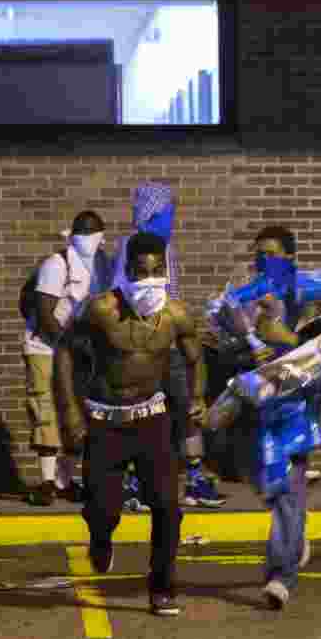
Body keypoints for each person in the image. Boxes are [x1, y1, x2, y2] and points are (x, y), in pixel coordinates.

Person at [55, 231, 206, 616]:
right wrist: (70, 412)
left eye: (158, 272)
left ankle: (162, 588)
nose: (150, 281)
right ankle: (101, 538)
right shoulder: (102, 309)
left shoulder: (176, 315)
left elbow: (194, 356)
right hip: (105, 422)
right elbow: (65, 355)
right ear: (128, 272)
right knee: (104, 509)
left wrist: (198, 397)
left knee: (168, 507)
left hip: (152, 420)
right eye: (142, 273)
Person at [224, 225, 321, 610]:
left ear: (289, 255)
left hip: (296, 404)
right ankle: (295, 532)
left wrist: (284, 340)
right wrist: (244, 347)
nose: (261, 260)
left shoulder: (311, 294)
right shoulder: (246, 296)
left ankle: (280, 576)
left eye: (269, 253)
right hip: (256, 405)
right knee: (260, 479)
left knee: (287, 489)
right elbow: (227, 340)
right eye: (257, 254)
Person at [113, 182, 224, 510]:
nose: (170, 217)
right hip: (141, 346)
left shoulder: (167, 248)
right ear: (150, 213)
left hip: (171, 343)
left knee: (188, 407)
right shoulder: (130, 247)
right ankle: (133, 483)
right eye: (165, 212)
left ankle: (194, 478)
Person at [23, 211, 110, 506]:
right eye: (83, 232)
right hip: (46, 347)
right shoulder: (56, 264)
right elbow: (45, 313)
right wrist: (69, 344)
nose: (88, 238)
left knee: (74, 411)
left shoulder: (102, 264)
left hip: (79, 348)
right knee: (45, 405)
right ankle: (47, 481)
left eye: (93, 232)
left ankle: (65, 480)